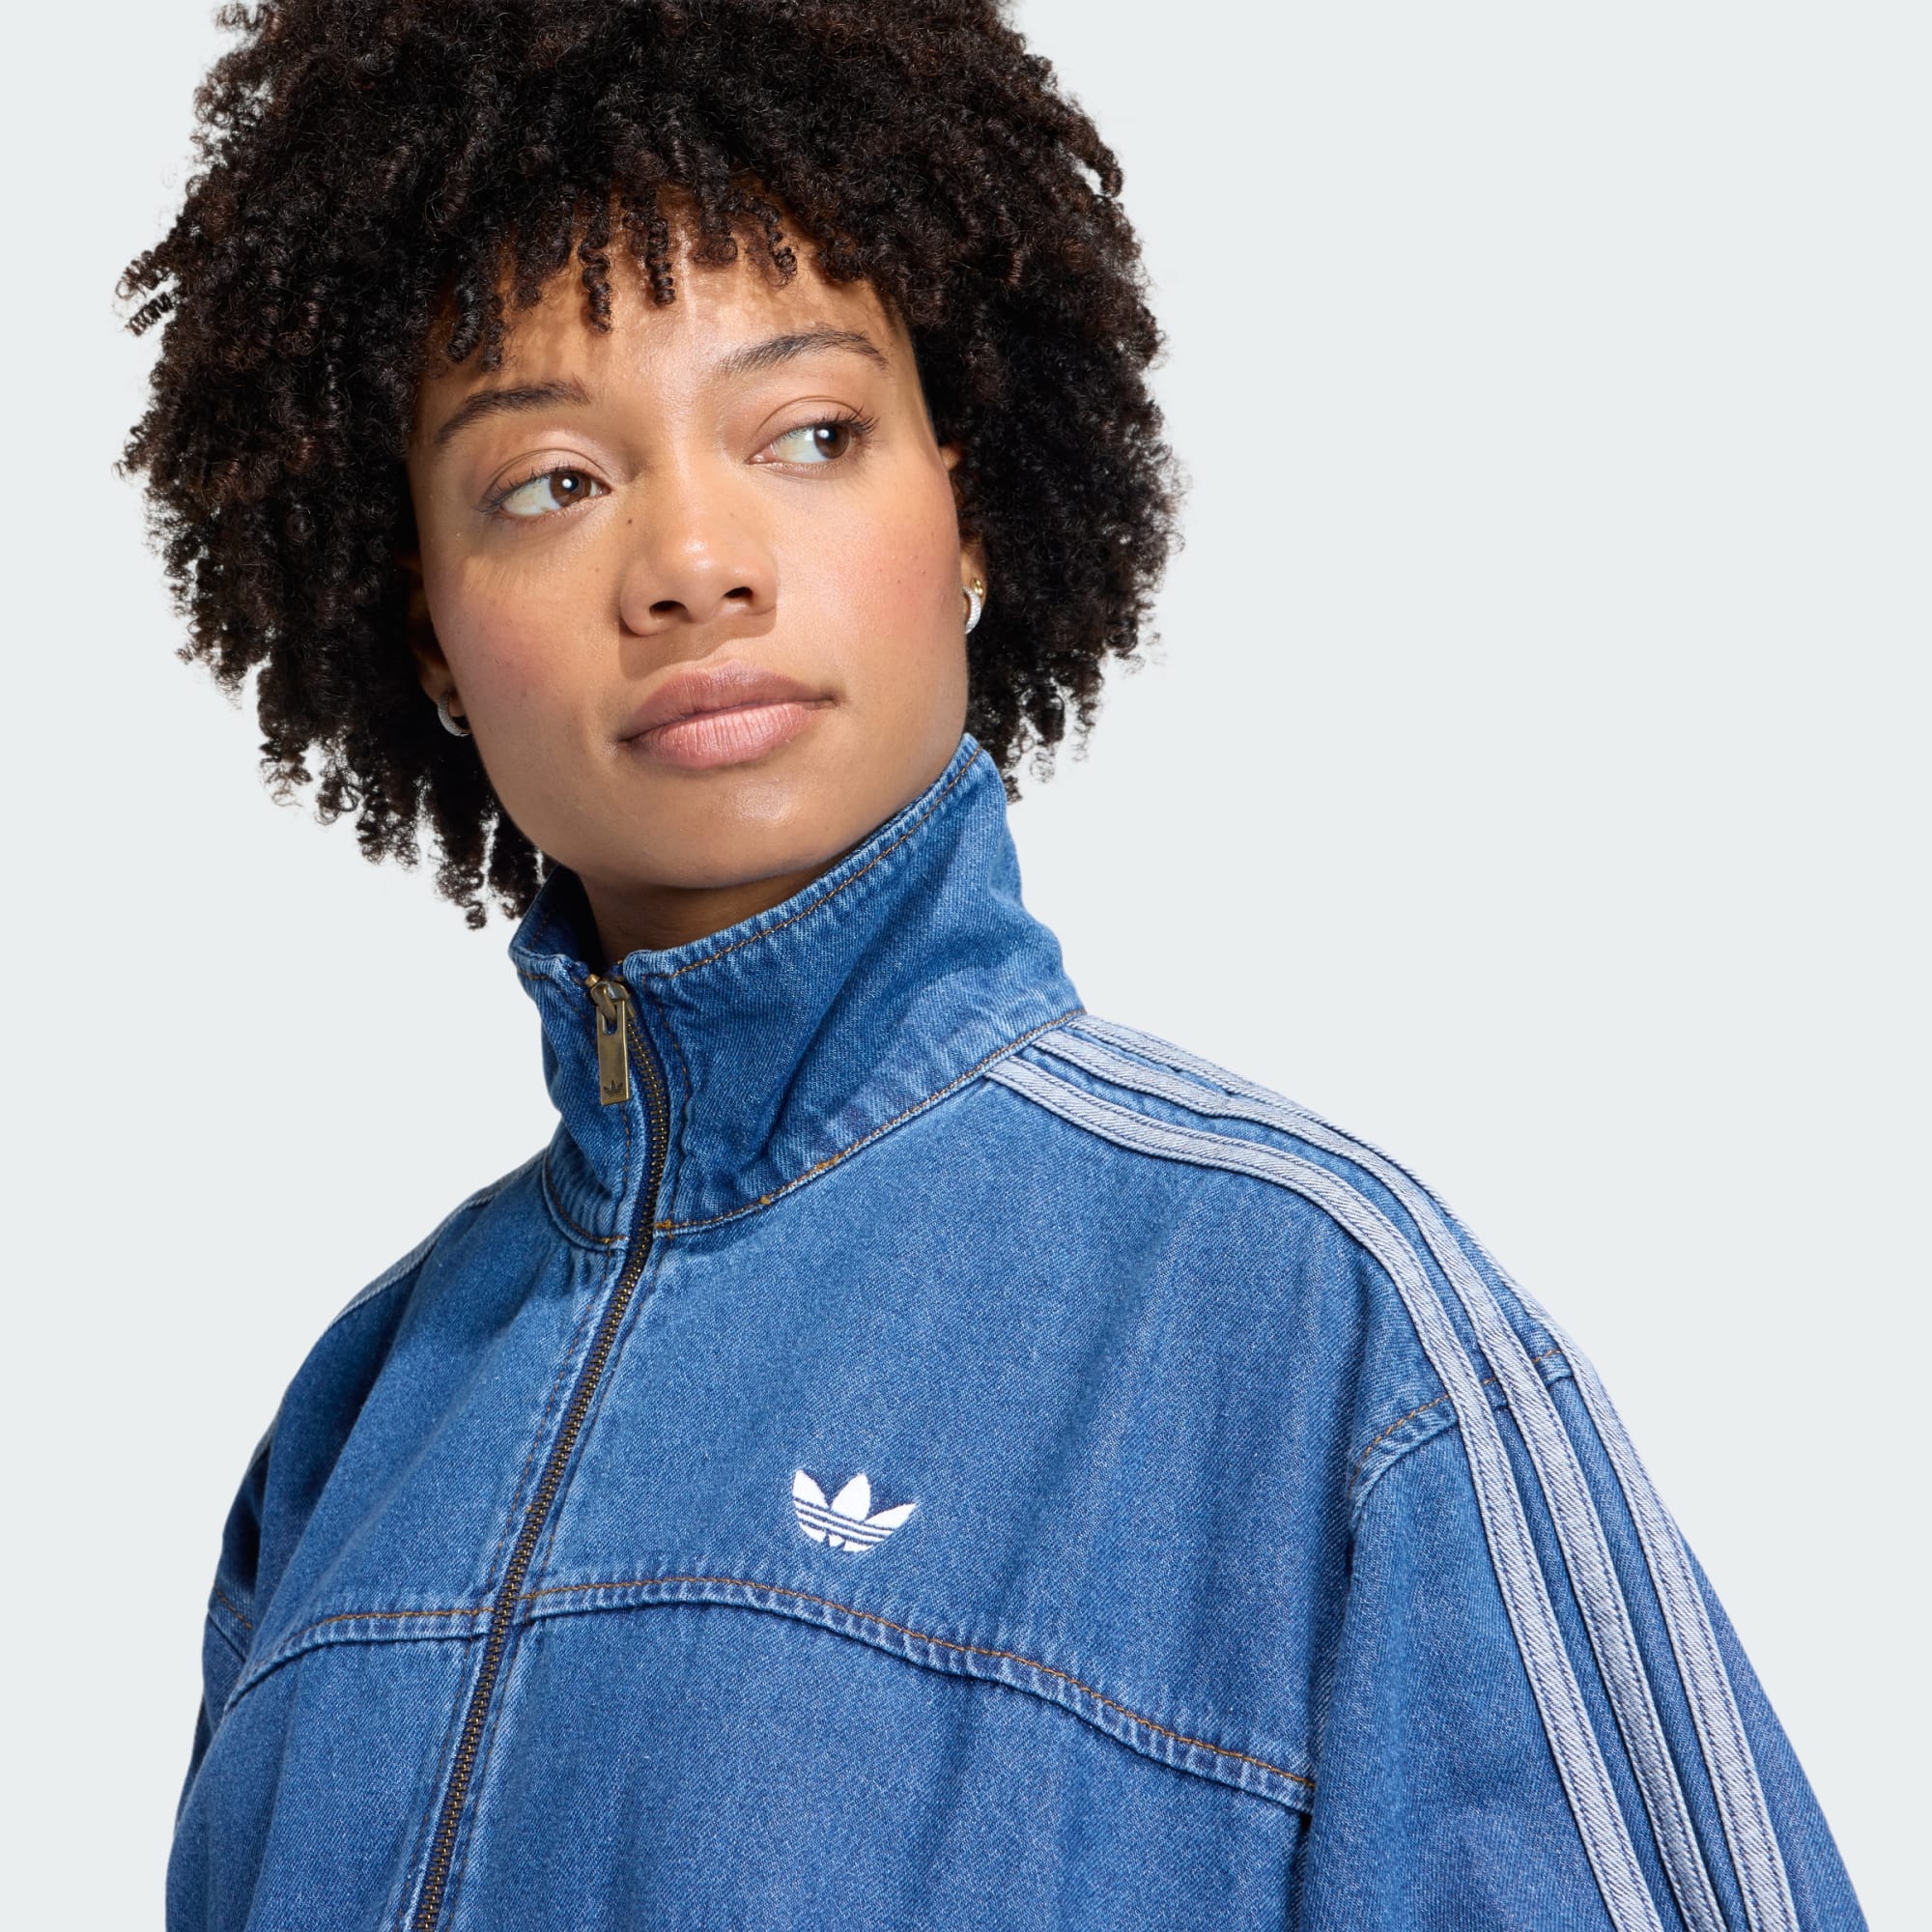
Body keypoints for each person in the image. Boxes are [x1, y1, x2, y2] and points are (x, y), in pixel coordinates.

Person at [118, 4, 1866, 1928]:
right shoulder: (363, 1416)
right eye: (548, 480)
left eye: (810, 435)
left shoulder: (1317, 1326)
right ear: (427, 632)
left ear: (966, 510)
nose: (694, 561)